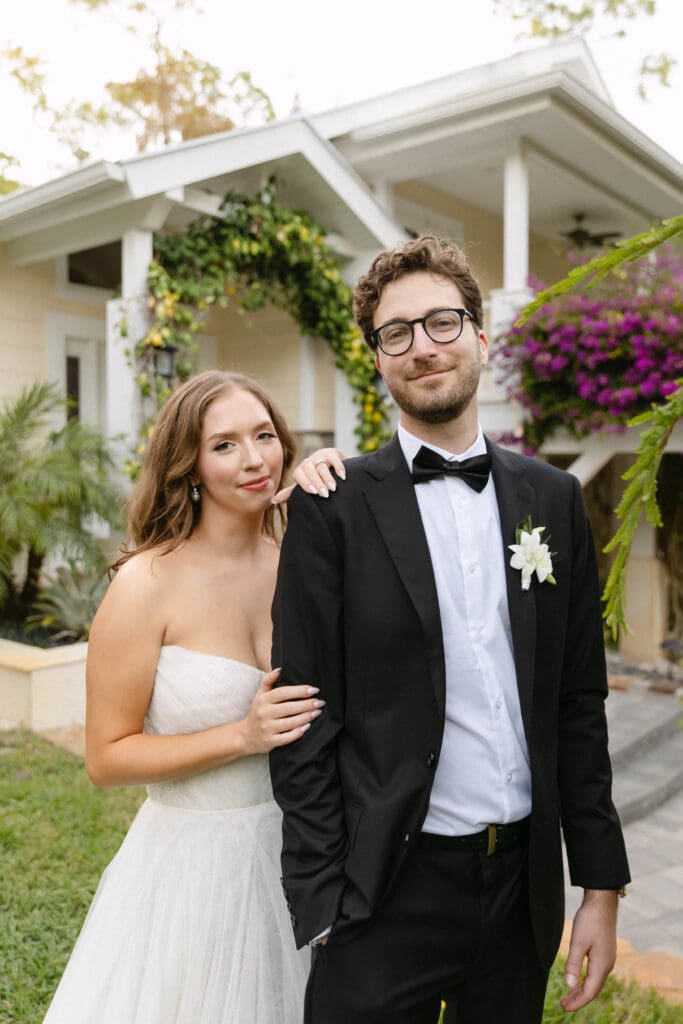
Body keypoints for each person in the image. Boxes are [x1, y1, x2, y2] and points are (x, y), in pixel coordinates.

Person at [269, 236, 630, 1024]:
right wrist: (323, 899)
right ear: (377, 359)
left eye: (441, 322)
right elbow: (303, 716)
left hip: (519, 893)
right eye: (396, 333)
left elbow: (577, 702)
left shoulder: (553, 499)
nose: (422, 347)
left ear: (480, 338)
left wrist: (599, 885)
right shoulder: (331, 508)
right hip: (381, 892)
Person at [42, 370, 344, 1024]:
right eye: (225, 445)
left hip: (303, 856)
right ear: (190, 467)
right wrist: (242, 735)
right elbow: (106, 758)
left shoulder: (303, 559)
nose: (255, 459)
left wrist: (339, 487)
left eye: (264, 436)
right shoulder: (145, 583)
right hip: (192, 871)